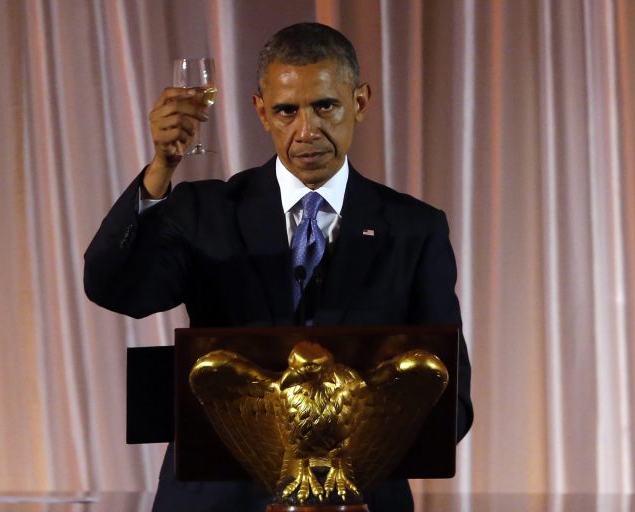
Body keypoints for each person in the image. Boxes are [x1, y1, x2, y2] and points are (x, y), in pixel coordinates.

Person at [84, 22, 472, 512]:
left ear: (360, 101)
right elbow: (115, 288)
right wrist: (160, 169)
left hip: (358, 498)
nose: (306, 131)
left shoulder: (415, 228)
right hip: (216, 500)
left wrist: (362, 454)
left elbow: (450, 397)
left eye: (324, 106)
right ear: (261, 112)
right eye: (287, 110)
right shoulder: (207, 212)